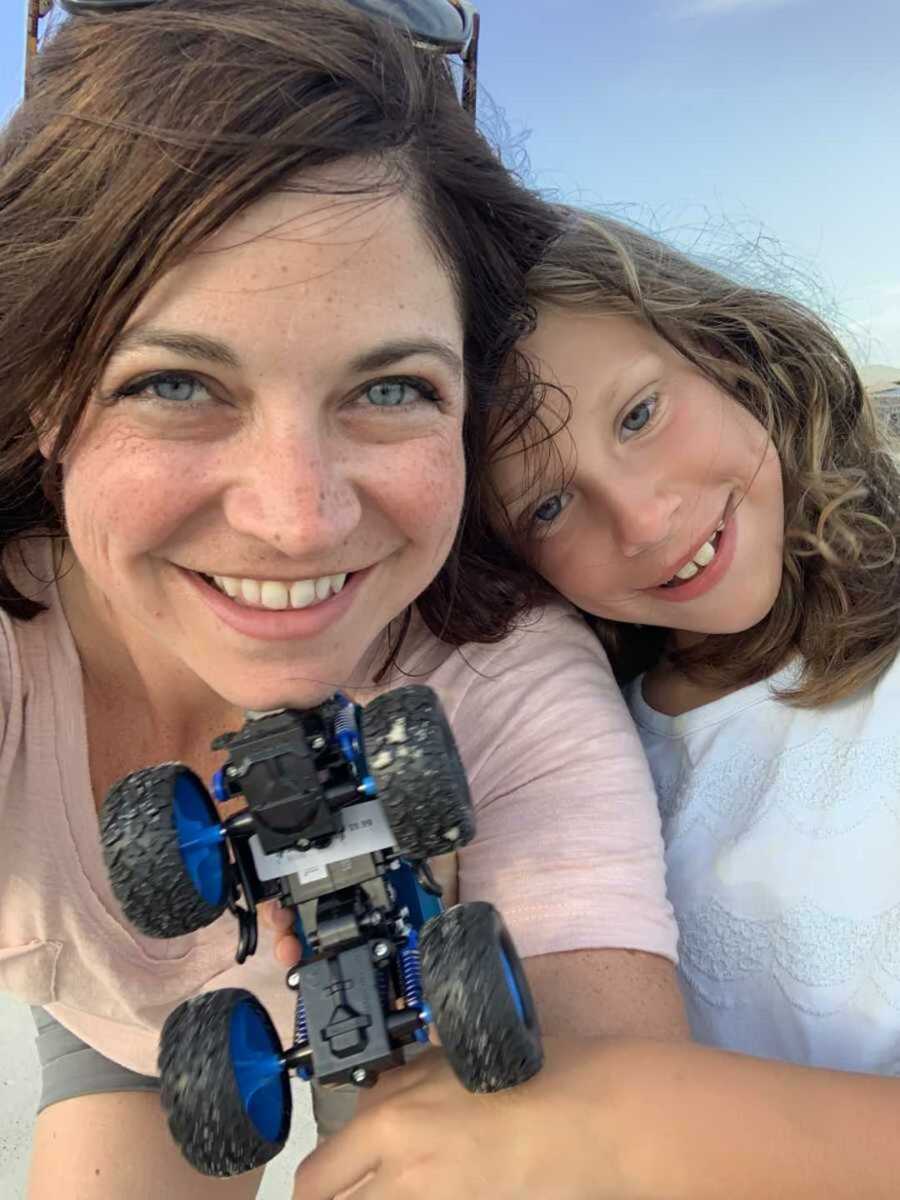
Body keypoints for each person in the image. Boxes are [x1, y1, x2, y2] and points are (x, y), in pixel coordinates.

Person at [0, 9, 689, 1200]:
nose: (300, 518)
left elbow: (608, 1103)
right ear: (52, 401)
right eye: (174, 382)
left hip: (373, 1000)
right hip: (116, 1013)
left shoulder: (504, 681)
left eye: (388, 386)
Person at [293, 208, 899, 1199]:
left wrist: (628, 1123)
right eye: (546, 505)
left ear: (728, 352)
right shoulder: (576, 763)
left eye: (639, 415)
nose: (644, 517)